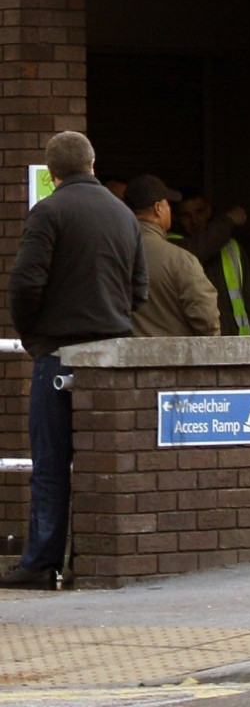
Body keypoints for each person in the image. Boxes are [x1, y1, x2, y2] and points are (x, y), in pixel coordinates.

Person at [1, 131, 147, 590]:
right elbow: (139, 290)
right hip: (111, 355)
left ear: (52, 173)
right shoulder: (124, 215)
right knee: (105, 458)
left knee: (49, 463)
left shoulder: (48, 212)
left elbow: (25, 283)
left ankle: (41, 562)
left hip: (58, 354)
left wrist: (33, 336)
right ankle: (94, 557)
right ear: (93, 162)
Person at [124, 175, 220, 337]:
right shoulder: (180, 260)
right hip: (172, 359)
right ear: (158, 208)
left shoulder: (109, 255)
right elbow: (206, 320)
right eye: (168, 204)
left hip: (122, 358)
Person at [170, 188, 250, 335]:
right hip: (196, 342)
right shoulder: (172, 246)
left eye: (199, 212)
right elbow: (199, 249)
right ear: (175, 218)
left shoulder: (232, 247)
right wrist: (228, 220)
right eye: (186, 215)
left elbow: (249, 299)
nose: (194, 220)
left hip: (238, 341)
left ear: (208, 211)